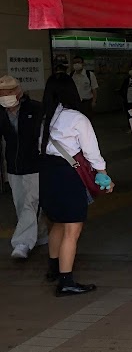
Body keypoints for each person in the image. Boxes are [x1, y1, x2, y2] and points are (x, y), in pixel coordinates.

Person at [39, 73, 113, 296]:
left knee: (58, 224)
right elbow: (92, 152)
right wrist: (103, 175)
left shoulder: (44, 118)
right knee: (72, 229)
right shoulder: (76, 118)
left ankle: (53, 269)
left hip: (47, 174)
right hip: (68, 177)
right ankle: (66, 281)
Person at [0, 75, 47, 259]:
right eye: (2, 93)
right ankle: (41, 234)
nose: (5, 96)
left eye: (9, 92)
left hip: (35, 164)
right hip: (13, 165)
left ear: (18, 91)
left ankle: (22, 243)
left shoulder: (35, 109)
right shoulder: (1, 112)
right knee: (21, 203)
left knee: (31, 203)